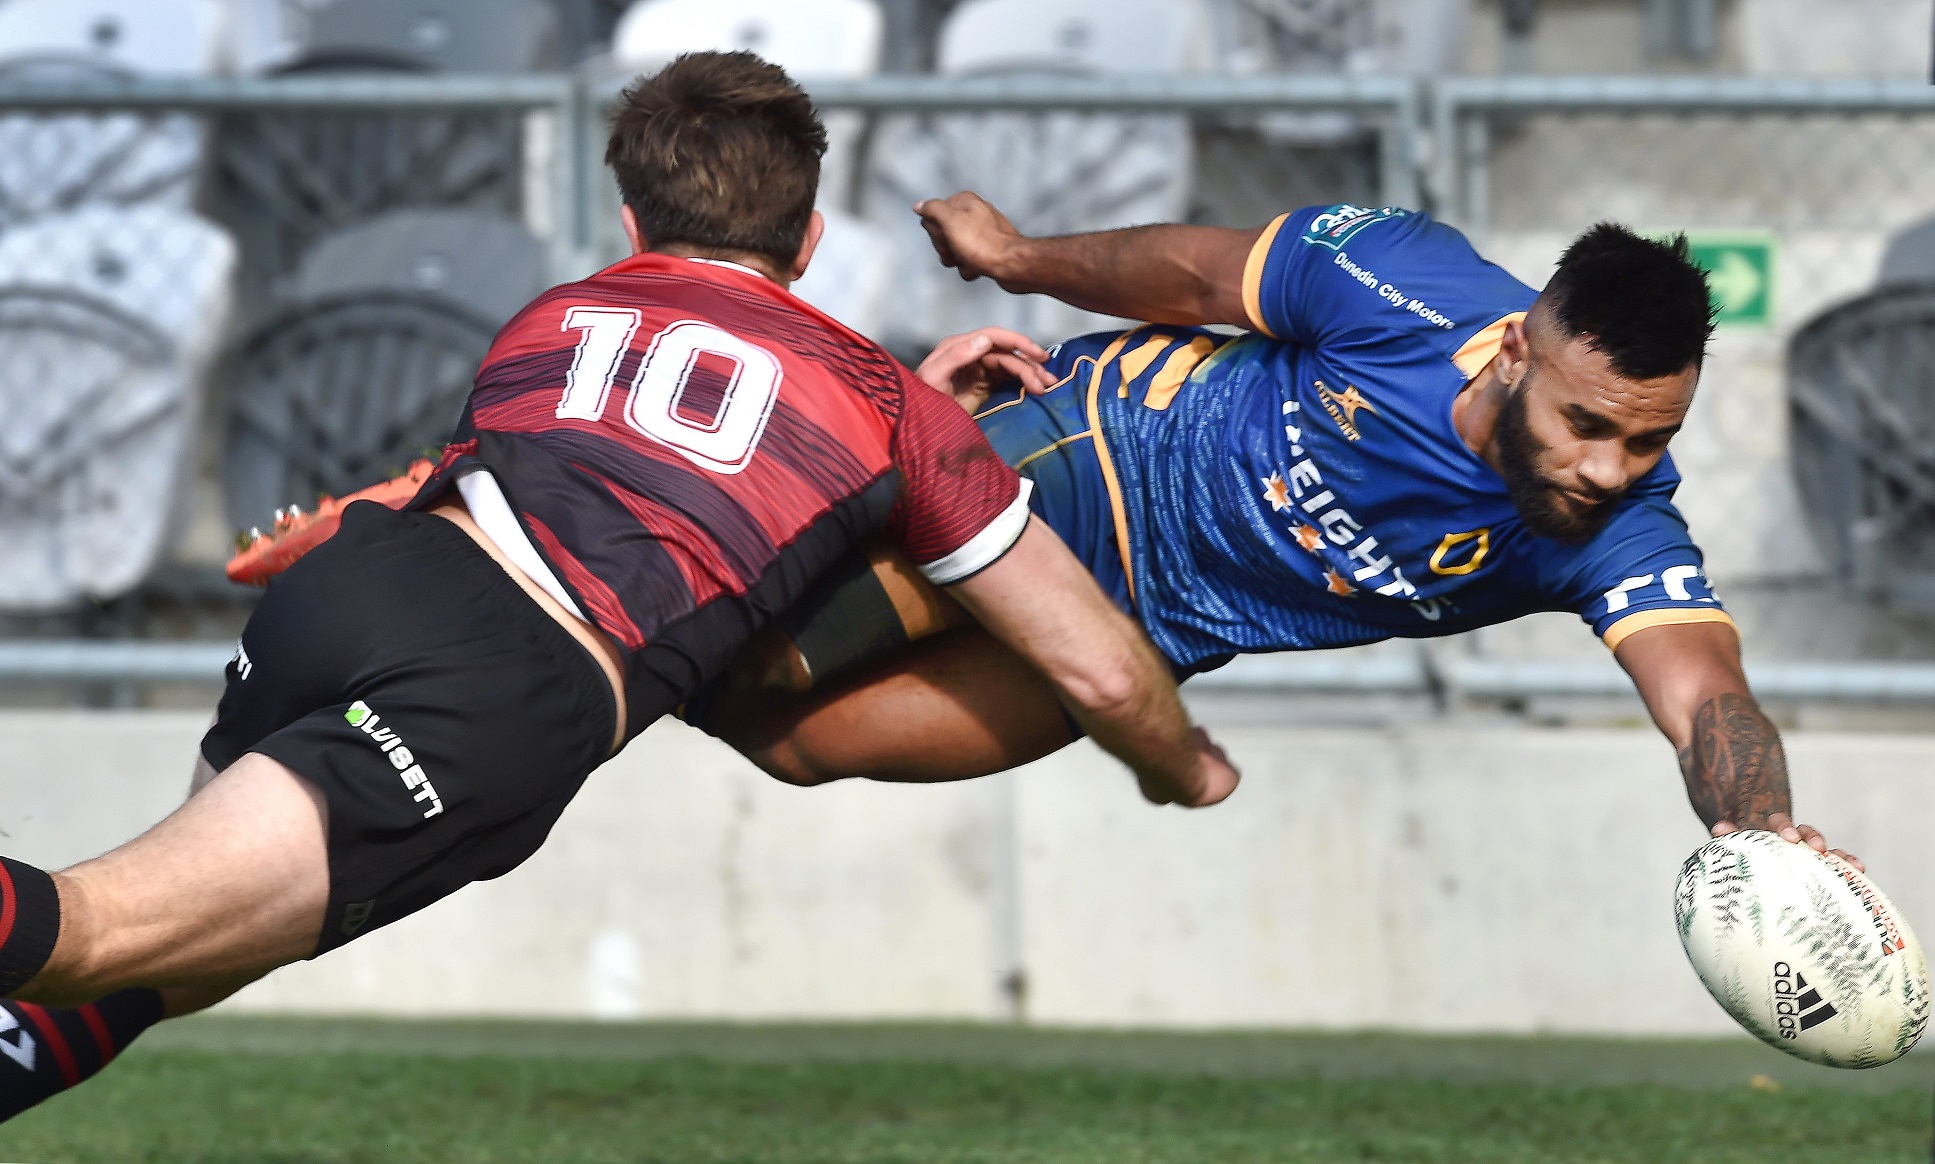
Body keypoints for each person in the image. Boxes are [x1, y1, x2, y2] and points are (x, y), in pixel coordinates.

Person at [0, 54, 1236, 1123]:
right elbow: (1094, 664)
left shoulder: (554, 315)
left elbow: (669, 434)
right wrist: (1184, 767)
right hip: (502, 688)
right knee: (98, 934)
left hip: (367, 589)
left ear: (634, 225)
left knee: (161, 960)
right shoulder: (890, 410)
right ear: (809, 240)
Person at [699, 192, 1853, 866]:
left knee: (798, 744)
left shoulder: (1615, 528)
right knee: (758, 646)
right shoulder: (1405, 282)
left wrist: (1763, 834)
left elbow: (1707, 696)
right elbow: (1200, 275)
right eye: (1588, 423)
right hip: (1086, 462)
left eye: (1648, 440)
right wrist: (1014, 260)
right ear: (1515, 353)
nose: (1610, 468)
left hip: (1143, 635)